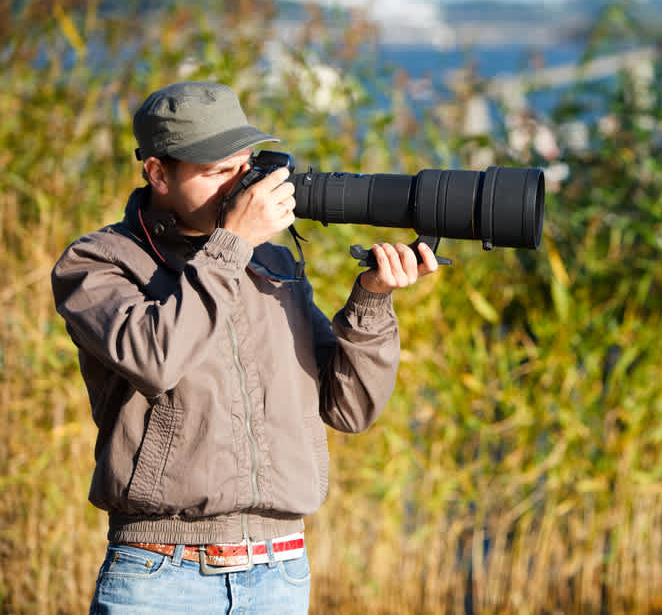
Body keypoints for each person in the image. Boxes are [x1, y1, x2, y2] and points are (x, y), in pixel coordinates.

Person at [50, 81, 439, 614]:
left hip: (279, 574)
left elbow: (350, 410)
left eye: (244, 165)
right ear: (158, 173)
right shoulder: (98, 262)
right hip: (162, 574)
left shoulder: (272, 264)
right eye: (216, 172)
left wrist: (371, 302)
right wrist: (231, 245)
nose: (241, 188)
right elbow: (155, 359)